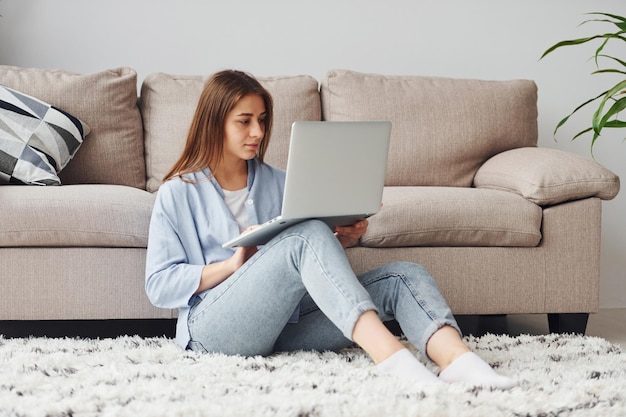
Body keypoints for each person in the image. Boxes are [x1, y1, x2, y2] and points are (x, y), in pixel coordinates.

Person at [145, 69, 516, 389]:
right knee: (303, 234)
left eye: (262, 119)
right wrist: (231, 265)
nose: (257, 131)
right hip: (214, 331)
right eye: (244, 121)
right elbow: (159, 285)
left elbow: (310, 262)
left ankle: (459, 363)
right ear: (215, 123)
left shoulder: (283, 183)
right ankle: (394, 361)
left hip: (285, 327)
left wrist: (342, 240)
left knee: (404, 276)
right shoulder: (178, 192)